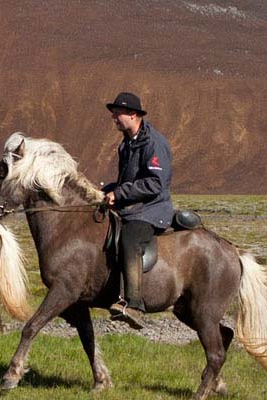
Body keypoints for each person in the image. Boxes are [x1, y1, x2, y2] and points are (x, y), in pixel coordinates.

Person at [101, 92, 174, 330]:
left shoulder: (153, 142)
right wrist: (105, 192)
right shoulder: (127, 143)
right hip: (134, 206)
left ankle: (134, 304)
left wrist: (119, 194)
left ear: (133, 115)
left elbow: (155, 183)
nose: (113, 116)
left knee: (130, 238)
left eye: (118, 112)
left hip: (152, 210)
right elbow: (127, 182)